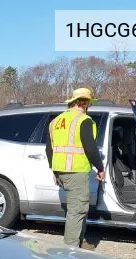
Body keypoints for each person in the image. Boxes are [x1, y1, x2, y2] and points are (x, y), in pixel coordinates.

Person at [45, 87, 105, 249]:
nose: (89, 106)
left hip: (61, 172)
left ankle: (79, 241)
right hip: (76, 171)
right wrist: (100, 167)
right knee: (77, 210)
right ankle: (70, 250)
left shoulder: (55, 121)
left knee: (78, 209)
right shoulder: (83, 120)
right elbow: (90, 148)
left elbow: (49, 149)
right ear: (84, 102)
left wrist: (55, 170)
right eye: (89, 103)